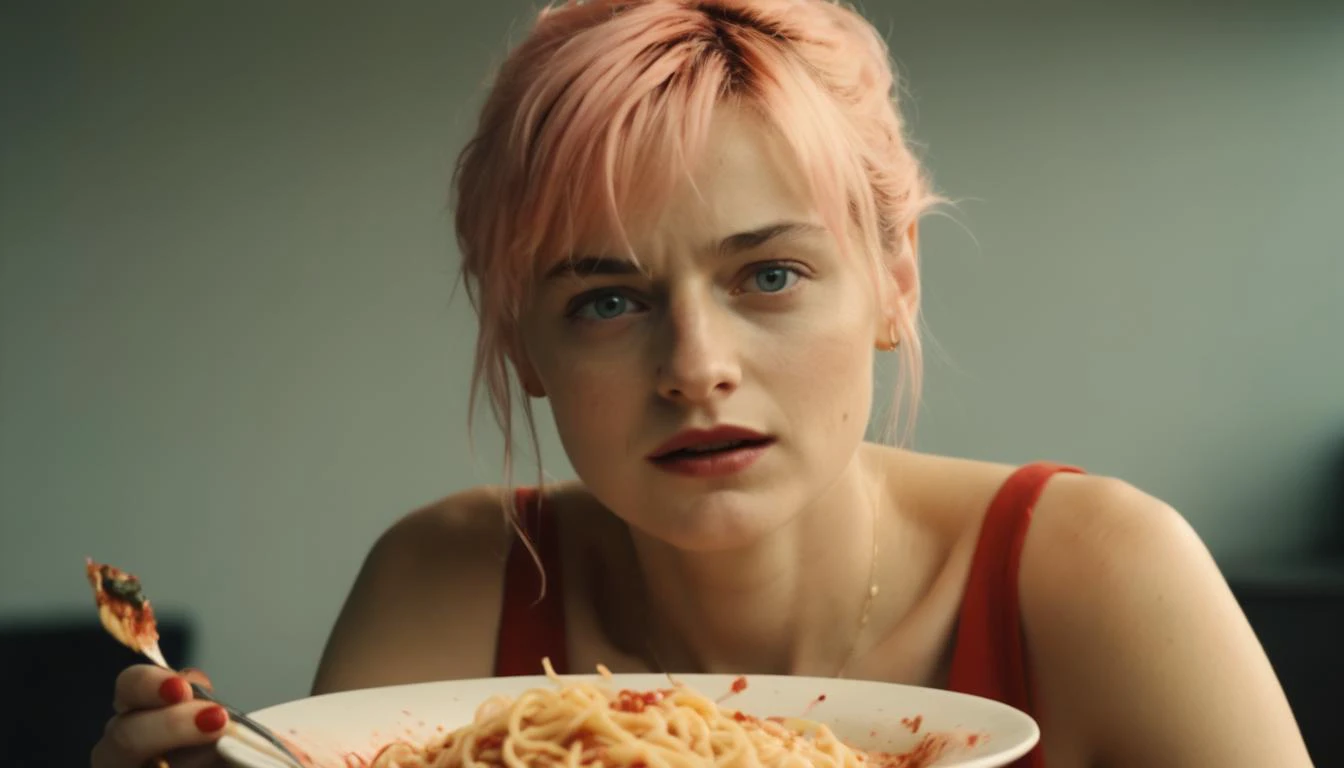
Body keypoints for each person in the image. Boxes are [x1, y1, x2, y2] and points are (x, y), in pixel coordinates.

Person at [91, 1, 1312, 766]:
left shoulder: (1102, 572)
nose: (694, 368)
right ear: (523, 339)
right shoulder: (445, 583)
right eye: (605, 300)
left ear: (895, 280)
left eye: (769, 274)